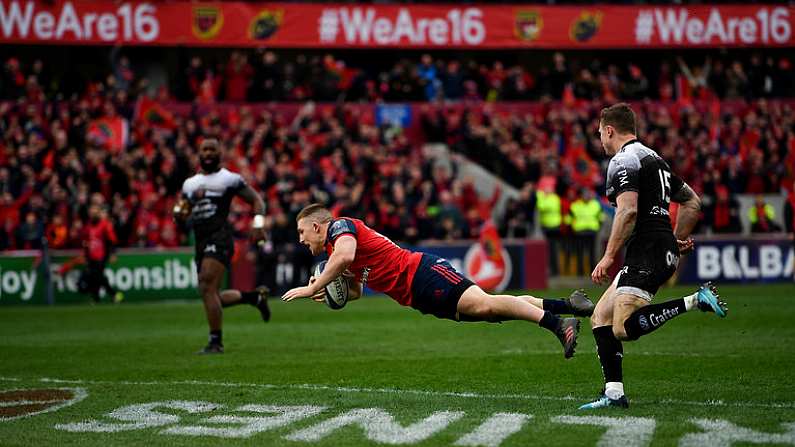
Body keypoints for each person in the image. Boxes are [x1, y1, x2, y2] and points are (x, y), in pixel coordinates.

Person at [282, 203, 594, 359]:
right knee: (492, 310)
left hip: (420, 272)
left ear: (317, 226)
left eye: (301, 232)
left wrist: (313, 284)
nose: (300, 239)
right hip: (417, 295)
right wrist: (332, 293)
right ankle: (567, 306)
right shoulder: (336, 248)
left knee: (486, 305)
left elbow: (346, 257)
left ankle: (558, 324)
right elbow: (357, 290)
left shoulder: (339, 228)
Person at [579, 103, 728, 410]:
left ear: (609, 130)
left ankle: (695, 300)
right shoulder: (654, 158)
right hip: (655, 246)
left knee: (623, 327)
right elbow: (692, 202)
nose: (600, 140)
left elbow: (629, 210)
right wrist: (674, 240)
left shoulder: (623, 160)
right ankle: (614, 395)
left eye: (600, 134)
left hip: (646, 249)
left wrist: (608, 257)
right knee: (601, 318)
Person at [175, 138, 271, 355]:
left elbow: (258, 201)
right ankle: (254, 298)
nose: (208, 153)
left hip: (220, 237)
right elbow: (181, 213)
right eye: (204, 149)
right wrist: (178, 216)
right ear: (198, 154)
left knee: (206, 285)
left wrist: (257, 226)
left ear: (220, 154)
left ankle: (215, 342)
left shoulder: (228, 179)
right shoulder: (189, 184)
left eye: (212, 149)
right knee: (210, 293)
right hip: (200, 240)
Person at [79, 201, 123, 304]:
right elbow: (86, 240)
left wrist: (112, 253)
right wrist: (85, 254)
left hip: (102, 255)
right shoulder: (88, 225)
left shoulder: (105, 224)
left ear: (98, 213)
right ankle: (105, 296)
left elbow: (112, 240)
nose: (93, 213)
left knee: (97, 274)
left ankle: (108, 295)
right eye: (91, 212)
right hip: (91, 256)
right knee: (97, 277)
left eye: (95, 212)